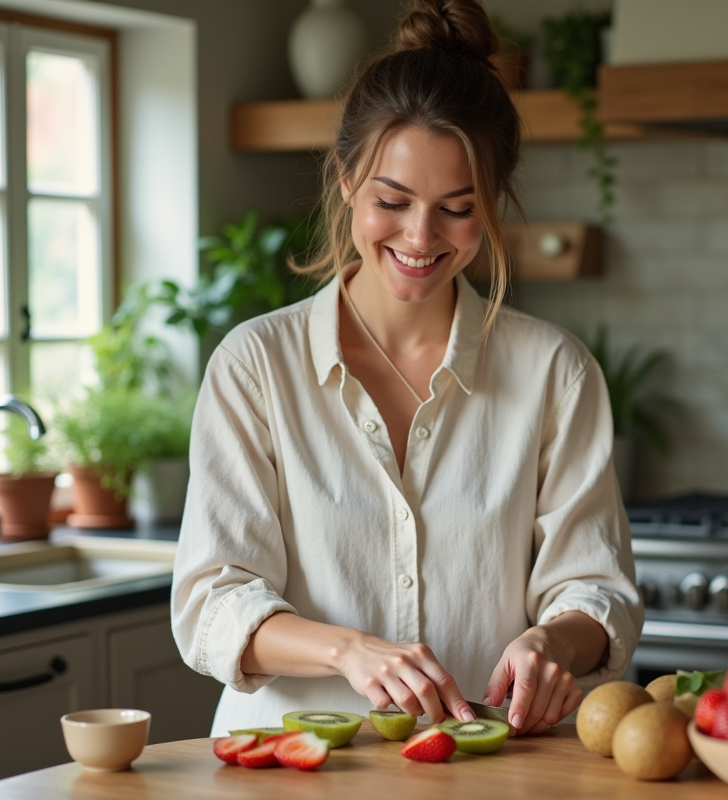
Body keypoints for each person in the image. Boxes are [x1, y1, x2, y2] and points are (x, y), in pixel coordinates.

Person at [171, 0, 642, 738]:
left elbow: (593, 586)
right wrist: (347, 650)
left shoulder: (556, 373)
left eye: (458, 208)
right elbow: (212, 600)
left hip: (493, 770)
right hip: (290, 768)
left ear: (492, 202)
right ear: (347, 179)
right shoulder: (255, 365)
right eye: (393, 201)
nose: (420, 238)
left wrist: (553, 641)